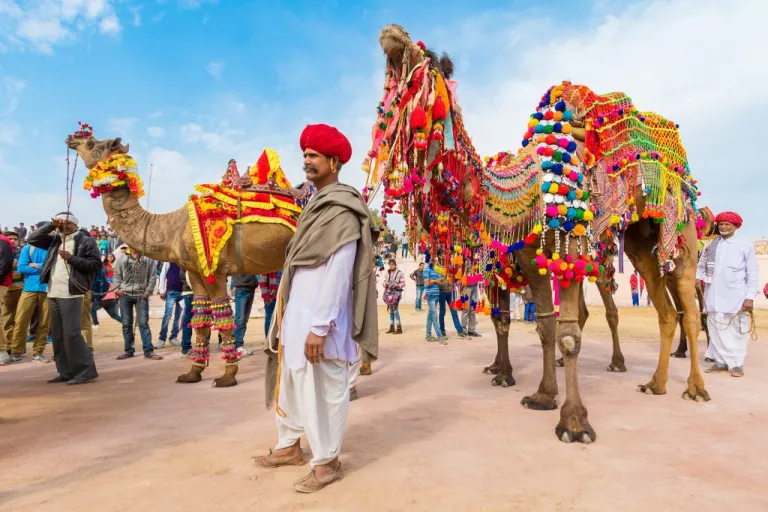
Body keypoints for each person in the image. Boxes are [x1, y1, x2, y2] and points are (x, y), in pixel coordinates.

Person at [257, 123, 379, 494]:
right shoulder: (315, 205)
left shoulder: (341, 208)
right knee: (293, 383)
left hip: (322, 321)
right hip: (297, 315)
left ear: (334, 161)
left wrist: (320, 326)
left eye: (314, 155)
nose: (307, 160)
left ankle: (327, 462)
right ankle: (289, 445)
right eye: (305, 154)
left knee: (323, 390)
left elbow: (340, 272)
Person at [26, 213, 100, 384]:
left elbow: (95, 265)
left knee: (72, 334)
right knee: (58, 335)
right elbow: (33, 239)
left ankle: (86, 370)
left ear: (74, 225)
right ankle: (66, 371)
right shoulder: (55, 239)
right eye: (59, 224)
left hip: (72, 292)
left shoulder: (85, 241)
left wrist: (72, 258)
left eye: (66, 224)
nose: (62, 227)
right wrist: (51, 225)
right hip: (53, 292)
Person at [698, 212, 759, 377]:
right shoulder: (710, 246)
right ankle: (720, 362)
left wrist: (750, 297)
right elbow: (701, 266)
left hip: (736, 297)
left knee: (737, 330)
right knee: (715, 328)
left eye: (727, 224)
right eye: (721, 224)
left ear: (735, 226)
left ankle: (736, 363)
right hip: (712, 295)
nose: (723, 227)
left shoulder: (744, 246)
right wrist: (696, 279)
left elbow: (752, 274)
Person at [6, 239, 50, 364]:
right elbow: (21, 268)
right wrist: (43, 267)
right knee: (20, 320)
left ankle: (38, 352)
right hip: (30, 287)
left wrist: (35, 265)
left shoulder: (53, 248)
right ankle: (16, 352)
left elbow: (53, 267)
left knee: (45, 321)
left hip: (48, 288)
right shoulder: (28, 248)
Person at [114, 248, 162, 360]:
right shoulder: (122, 259)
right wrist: (117, 290)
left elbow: (152, 276)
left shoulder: (148, 259)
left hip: (142, 295)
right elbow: (117, 276)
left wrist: (148, 292)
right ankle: (128, 350)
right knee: (126, 324)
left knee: (143, 323)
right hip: (125, 295)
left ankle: (148, 351)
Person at [0, 231, 21, 364]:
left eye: (15, 239)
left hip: (6, 285)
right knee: (6, 318)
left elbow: (6, 264)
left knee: (15, 319)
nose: (12, 240)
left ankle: (3, 351)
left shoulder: (2, 242)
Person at [156, 262, 186, 348]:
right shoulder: (169, 261)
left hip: (183, 293)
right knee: (167, 316)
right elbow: (162, 274)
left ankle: (173, 337)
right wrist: (161, 290)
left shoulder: (184, 261)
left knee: (179, 317)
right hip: (171, 292)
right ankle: (162, 339)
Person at [231, 273, 258, 356]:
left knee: (244, 319)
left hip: (251, 289)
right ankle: (235, 346)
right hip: (241, 289)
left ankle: (239, 345)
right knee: (240, 319)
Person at [422, 263, 446, 344]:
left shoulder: (436, 269)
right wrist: (436, 281)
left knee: (430, 315)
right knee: (434, 316)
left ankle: (428, 335)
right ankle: (440, 336)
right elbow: (427, 283)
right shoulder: (426, 269)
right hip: (430, 295)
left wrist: (433, 281)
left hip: (436, 295)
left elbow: (442, 281)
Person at [383, 259, 405, 334]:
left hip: (396, 294)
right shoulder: (387, 273)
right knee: (391, 310)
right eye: (390, 265)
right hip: (389, 294)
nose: (391, 266)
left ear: (395, 265)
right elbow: (384, 282)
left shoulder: (400, 273)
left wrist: (397, 285)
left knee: (395, 310)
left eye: (393, 264)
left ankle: (399, 328)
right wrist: (385, 284)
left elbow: (403, 283)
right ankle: (391, 327)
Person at [460, 268, 482, 338]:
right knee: (466, 309)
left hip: (475, 286)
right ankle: (463, 330)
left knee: (472, 309)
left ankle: (471, 330)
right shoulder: (465, 259)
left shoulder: (476, 261)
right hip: (466, 287)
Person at [259, 271, 281, 339]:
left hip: (282, 298)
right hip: (271, 298)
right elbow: (262, 282)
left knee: (281, 321)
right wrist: (267, 297)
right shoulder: (269, 266)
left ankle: (277, 342)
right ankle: (268, 342)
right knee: (269, 320)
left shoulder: (285, 265)